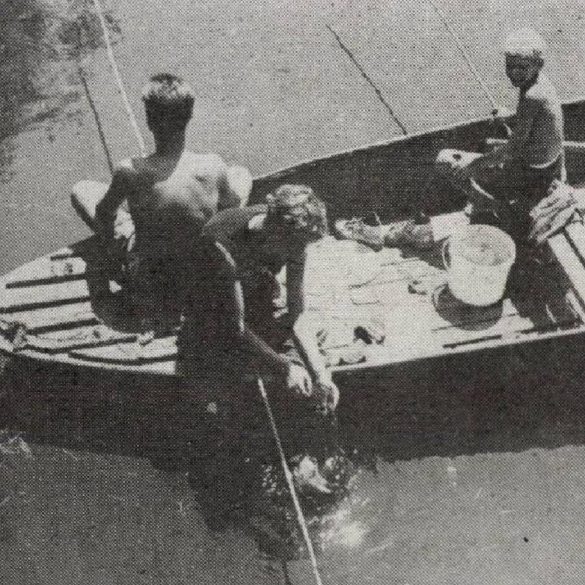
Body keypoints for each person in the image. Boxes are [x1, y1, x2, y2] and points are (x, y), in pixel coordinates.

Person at [336, 27, 565, 249]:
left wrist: (473, 165)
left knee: (446, 160)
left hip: (528, 178)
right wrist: (511, 117)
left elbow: (513, 150)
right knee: (469, 160)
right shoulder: (540, 85)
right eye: (510, 66)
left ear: (538, 65)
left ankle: (490, 208)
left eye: (521, 67)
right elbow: (536, 123)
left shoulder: (532, 96)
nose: (514, 73)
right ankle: (486, 205)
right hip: (547, 170)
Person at [179, 185, 341, 499]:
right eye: (293, 247)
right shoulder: (222, 244)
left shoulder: (293, 241)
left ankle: (304, 458)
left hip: (253, 296)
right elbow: (235, 326)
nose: (297, 253)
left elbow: (297, 312)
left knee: (309, 377)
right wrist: (284, 367)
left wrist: (320, 372)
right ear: (274, 229)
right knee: (236, 382)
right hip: (213, 309)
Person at [71, 73, 252, 331]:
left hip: (151, 273)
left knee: (82, 189)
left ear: (149, 121)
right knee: (241, 174)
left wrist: (112, 244)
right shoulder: (213, 164)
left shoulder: (129, 171)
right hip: (197, 269)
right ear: (189, 116)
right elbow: (231, 206)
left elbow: (103, 213)